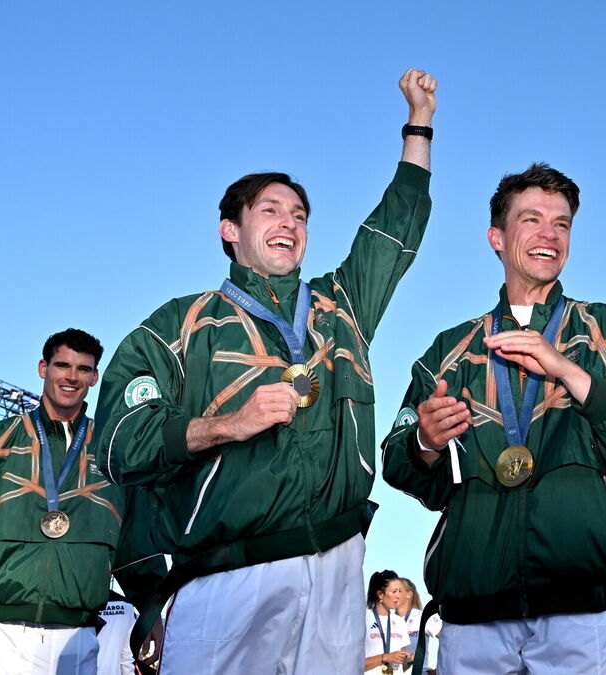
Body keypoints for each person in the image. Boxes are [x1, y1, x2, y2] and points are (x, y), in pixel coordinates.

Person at [94, 68, 437, 675]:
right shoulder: (179, 325)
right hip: (227, 574)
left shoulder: (342, 307)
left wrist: (419, 125)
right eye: (270, 210)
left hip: (338, 567)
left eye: (299, 215)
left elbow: (394, 228)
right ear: (230, 231)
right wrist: (225, 425)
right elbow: (120, 442)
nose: (289, 223)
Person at [382, 163, 606, 673]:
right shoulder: (450, 350)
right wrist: (426, 442)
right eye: (531, 220)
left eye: (562, 223)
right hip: (471, 612)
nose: (550, 234)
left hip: (581, 611)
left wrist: (569, 370)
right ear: (497, 238)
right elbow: (398, 465)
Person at [0, 329, 122, 675]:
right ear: (43, 368)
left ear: (94, 377)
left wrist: (151, 609)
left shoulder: (112, 451)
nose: (72, 377)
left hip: (76, 637)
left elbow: (135, 540)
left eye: (83, 369)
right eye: (62, 365)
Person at [364, 570, 411, 674]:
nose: (398, 596)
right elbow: (352, 663)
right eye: (394, 591)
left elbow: (403, 666)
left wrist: (410, 660)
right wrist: (384, 657)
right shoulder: (363, 619)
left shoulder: (400, 622)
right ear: (380, 594)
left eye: (400, 591)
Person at [397, 578, 423, 657]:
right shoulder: (387, 620)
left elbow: (447, 639)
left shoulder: (420, 616)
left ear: (408, 594)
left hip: (416, 666)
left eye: (398, 591)